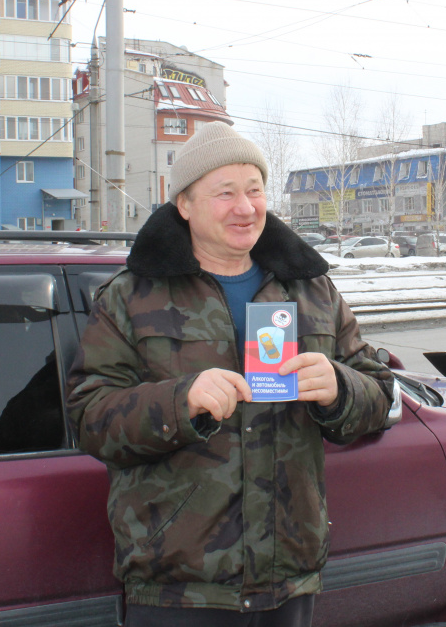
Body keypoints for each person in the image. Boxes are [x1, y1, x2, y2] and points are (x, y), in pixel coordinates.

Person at [66, 121, 394, 627]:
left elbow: (379, 392)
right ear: (185, 204)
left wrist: (340, 388)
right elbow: (90, 416)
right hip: (179, 590)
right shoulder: (132, 296)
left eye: (255, 190)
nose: (245, 208)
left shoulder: (311, 290)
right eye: (225, 193)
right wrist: (181, 402)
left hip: (290, 578)